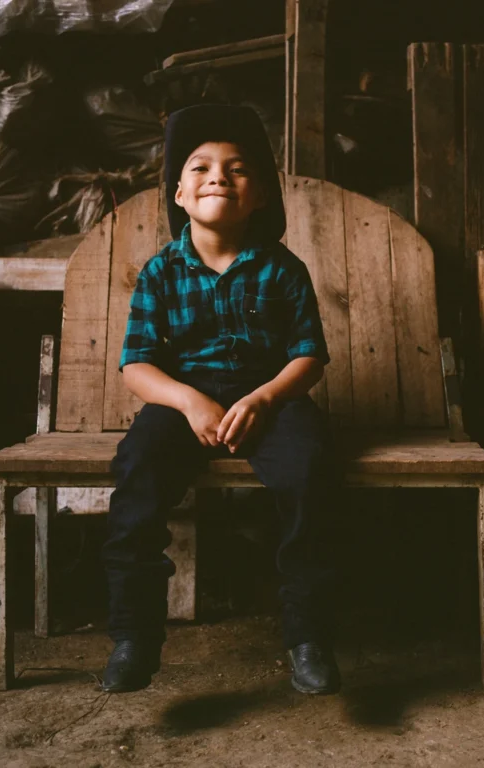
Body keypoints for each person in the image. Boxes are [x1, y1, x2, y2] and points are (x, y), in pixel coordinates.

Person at [102, 104, 340, 695]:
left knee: (311, 473)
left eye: (237, 169)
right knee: (136, 473)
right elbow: (137, 366)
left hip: (271, 401)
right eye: (202, 167)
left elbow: (309, 354)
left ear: (260, 194)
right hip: (183, 404)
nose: (219, 177)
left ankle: (309, 638)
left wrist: (263, 399)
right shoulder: (161, 273)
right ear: (179, 193)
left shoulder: (283, 270)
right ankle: (134, 637)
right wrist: (188, 403)